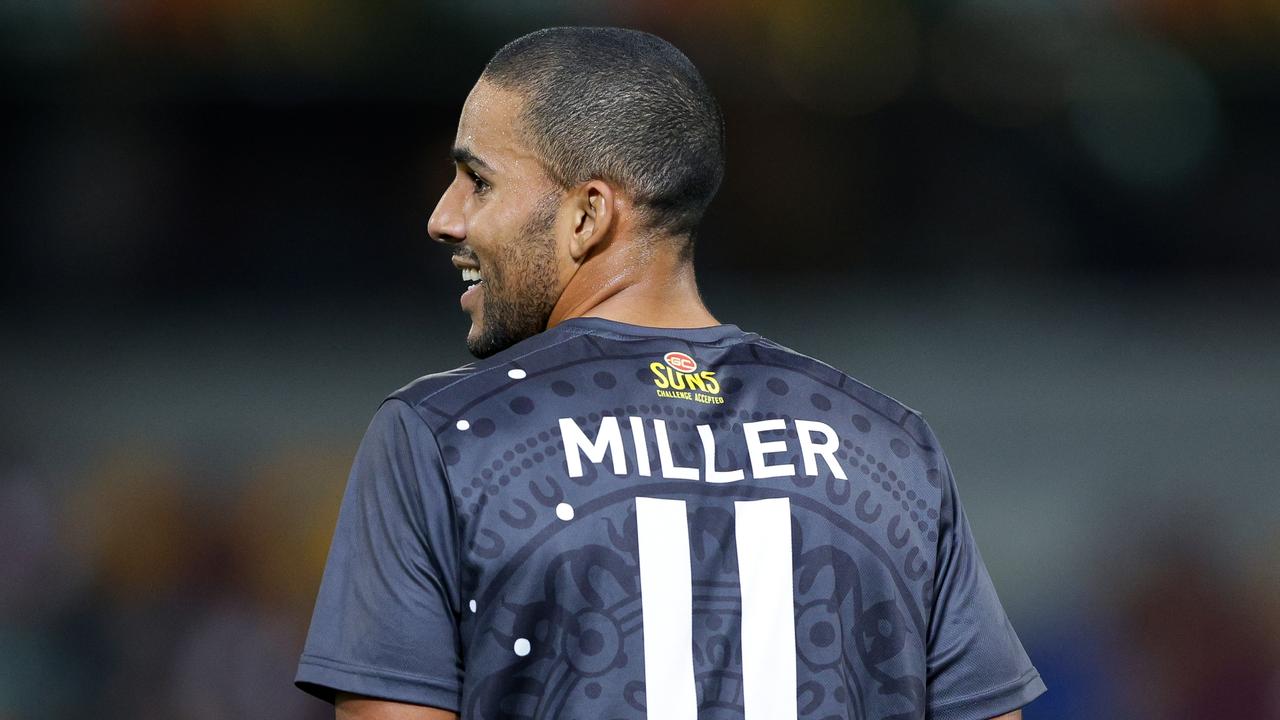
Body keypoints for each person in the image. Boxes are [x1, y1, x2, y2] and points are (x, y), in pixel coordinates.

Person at [295, 26, 1046, 720]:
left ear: (588, 214)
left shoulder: (445, 439)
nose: (444, 217)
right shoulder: (888, 448)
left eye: (478, 182)